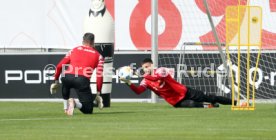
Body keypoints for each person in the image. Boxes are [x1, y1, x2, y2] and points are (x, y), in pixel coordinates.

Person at [120, 58, 237, 108]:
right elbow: (139, 91)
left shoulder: (161, 70)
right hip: (175, 101)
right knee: (193, 105)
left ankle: (234, 102)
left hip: (185, 92)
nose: (145, 69)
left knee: (211, 97)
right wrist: (128, 83)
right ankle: (210, 106)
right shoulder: (146, 80)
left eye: (147, 67)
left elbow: (156, 78)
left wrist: (140, 74)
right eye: (143, 68)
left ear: (152, 65)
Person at [50, 33, 104, 115]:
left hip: (67, 77)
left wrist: (55, 80)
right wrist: (98, 92)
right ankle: (75, 103)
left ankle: (66, 108)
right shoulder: (99, 56)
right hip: (82, 80)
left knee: (65, 83)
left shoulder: (73, 50)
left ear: (83, 41)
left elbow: (59, 66)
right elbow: (99, 76)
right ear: (93, 42)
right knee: (88, 109)